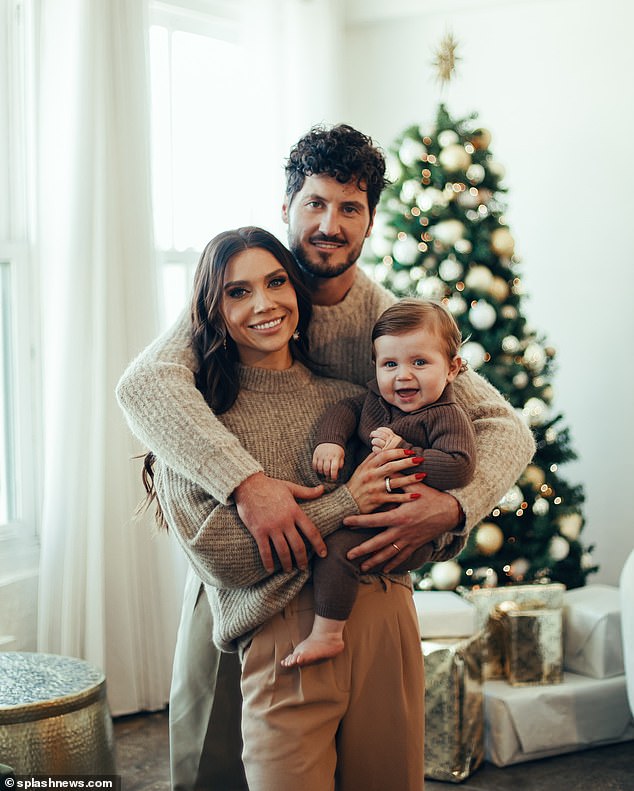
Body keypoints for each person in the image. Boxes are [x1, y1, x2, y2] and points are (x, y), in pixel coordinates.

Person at [116, 124, 536, 791]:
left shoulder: (383, 320)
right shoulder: (248, 282)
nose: (329, 224)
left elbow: (503, 426)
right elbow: (143, 384)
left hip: (351, 569)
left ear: (371, 220)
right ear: (287, 206)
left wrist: (455, 505)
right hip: (247, 572)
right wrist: (248, 485)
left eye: (350, 208)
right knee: (215, 762)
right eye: (315, 203)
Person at [144, 226, 427, 790]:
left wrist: (436, 520)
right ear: (212, 309)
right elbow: (225, 560)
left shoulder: (347, 398)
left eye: (276, 282)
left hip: (386, 614)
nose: (264, 304)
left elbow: (409, 497)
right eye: (237, 292)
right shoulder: (195, 420)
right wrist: (347, 501)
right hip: (284, 639)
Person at [283, 298, 477, 667]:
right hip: (362, 509)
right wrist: (331, 441)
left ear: (452, 369)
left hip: (404, 531)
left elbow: (459, 466)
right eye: (390, 364)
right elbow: (343, 411)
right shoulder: (373, 400)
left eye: (419, 362)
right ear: (375, 366)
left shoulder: (445, 416)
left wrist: (403, 453)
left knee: (338, 551)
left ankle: (328, 634)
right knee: (325, 540)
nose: (402, 376)